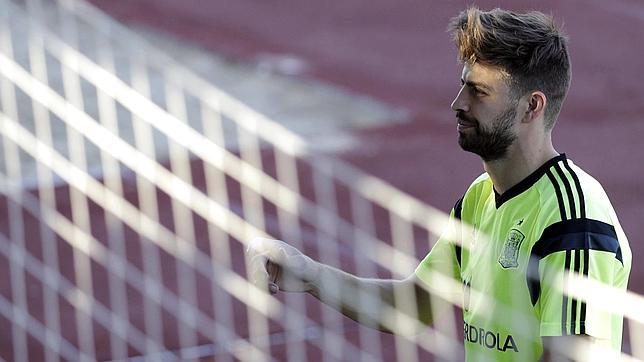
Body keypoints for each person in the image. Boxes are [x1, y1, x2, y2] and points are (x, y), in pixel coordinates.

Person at [247, 7, 631, 361]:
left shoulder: (573, 216)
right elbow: (412, 305)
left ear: (532, 106)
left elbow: (573, 355)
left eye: (479, 91)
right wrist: (311, 274)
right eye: (465, 85)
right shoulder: (479, 198)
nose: (458, 103)